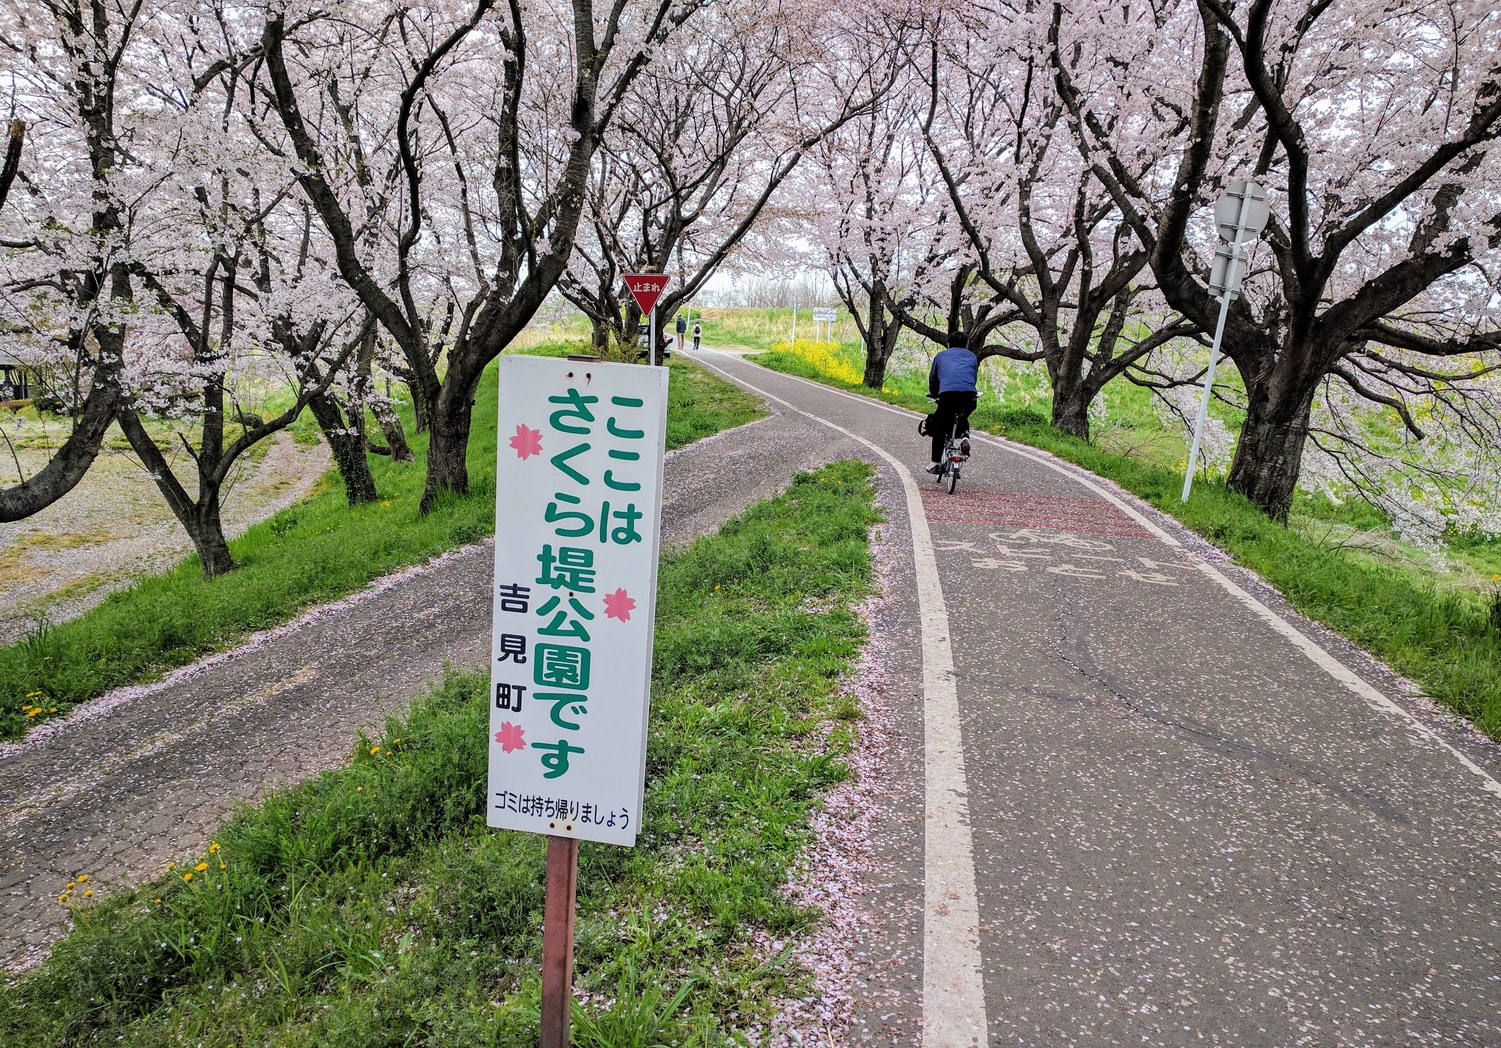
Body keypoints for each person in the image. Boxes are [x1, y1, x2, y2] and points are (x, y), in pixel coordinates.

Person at [926, 332, 978, 472]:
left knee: (940, 425)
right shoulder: (972, 356)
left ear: (948, 344)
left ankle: (936, 462)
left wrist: (935, 393)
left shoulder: (941, 356)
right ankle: (964, 437)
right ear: (966, 344)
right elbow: (972, 377)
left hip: (948, 396)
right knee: (963, 416)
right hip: (970, 396)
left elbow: (933, 379)